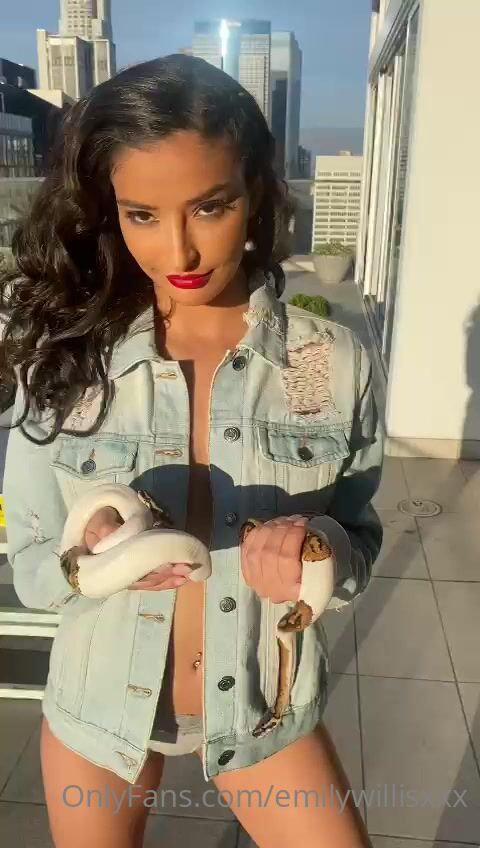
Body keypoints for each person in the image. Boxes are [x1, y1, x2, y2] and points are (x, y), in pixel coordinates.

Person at [0, 54, 383, 848]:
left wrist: (318, 549)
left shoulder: (324, 362)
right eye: (142, 215)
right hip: (98, 714)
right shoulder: (69, 359)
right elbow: (34, 567)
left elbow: (357, 536)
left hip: (261, 713)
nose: (178, 251)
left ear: (256, 193)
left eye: (210, 207)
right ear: (110, 210)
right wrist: (87, 556)